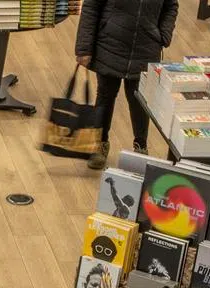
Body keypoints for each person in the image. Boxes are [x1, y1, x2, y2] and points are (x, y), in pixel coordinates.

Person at [75, 0, 178, 170]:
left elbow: (171, 5)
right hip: (110, 45)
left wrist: (164, 34)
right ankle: (99, 144)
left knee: (140, 101)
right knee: (105, 97)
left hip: (145, 48)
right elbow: (92, 6)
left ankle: (140, 147)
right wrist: (84, 48)